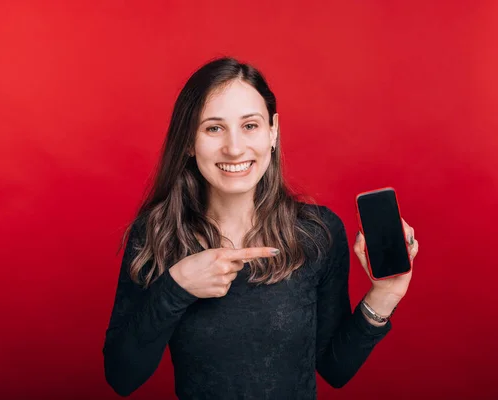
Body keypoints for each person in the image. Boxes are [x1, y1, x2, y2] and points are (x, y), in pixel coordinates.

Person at [102, 57, 419, 399]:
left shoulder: (318, 232)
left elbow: (334, 369)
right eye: (213, 128)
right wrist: (177, 286)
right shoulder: (157, 234)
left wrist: (385, 295)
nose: (234, 148)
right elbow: (122, 377)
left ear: (273, 131)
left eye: (250, 125)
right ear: (188, 142)